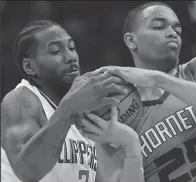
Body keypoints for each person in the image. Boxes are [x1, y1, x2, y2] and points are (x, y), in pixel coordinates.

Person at [79, 2, 196, 182]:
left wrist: (158, 79)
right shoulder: (114, 113)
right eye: (159, 26)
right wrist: (131, 145)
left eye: (177, 29)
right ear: (131, 40)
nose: (172, 33)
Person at [1, 20, 135, 182]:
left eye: (72, 48)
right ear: (30, 67)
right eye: (56, 51)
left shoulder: (84, 115)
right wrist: (68, 109)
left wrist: (129, 143)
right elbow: (28, 171)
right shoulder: (21, 100)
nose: (70, 57)